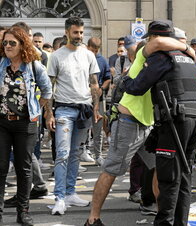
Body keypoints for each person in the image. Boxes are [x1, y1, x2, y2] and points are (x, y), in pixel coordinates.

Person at [122, 20, 196, 226]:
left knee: (168, 178)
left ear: (152, 38)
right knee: (184, 176)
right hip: (195, 120)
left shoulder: (161, 57)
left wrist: (125, 80)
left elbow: (137, 87)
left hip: (176, 121)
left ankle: (164, 223)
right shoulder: (186, 56)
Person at [45, 16, 102, 215]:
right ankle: (59, 197)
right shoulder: (56, 56)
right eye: (75, 32)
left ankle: (70, 193)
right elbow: (48, 87)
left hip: (84, 109)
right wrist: (48, 114)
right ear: (67, 32)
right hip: (64, 110)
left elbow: (94, 83)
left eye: (81, 32)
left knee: (76, 154)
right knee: (62, 154)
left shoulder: (88, 55)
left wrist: (95, 108)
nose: (79, 36)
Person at [0, 26, 52, 225]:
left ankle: (23, 212)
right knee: (1, 167)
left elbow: (47, 90)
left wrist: (36, 110)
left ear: (22, 44)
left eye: (13, 43)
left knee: (24, 168)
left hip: (26, 124)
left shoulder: (33, 66)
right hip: (2, 122)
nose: (8, 46)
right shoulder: (1, 64)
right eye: (5, 42)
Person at [87, 37, 111, 166]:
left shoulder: (102, 60)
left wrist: (102, 88)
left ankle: (98, 155)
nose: (94, 53)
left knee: (98, 128)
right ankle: (83, 151)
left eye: (96, 51)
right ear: (87, 47)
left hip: (99, 98)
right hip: (84, 98)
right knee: (83, 127)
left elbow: (108, 78)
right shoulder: (82, 57)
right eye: (92, 50)